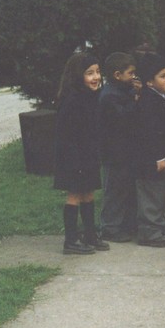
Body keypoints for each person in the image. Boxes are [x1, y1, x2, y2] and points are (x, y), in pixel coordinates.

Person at [53, 52, 109, 255]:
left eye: (98, 72)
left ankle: (90, 234)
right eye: (89, 73)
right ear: (78, 76)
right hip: (74, 156)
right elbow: (67, 134)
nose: (96, 77)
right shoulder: (72, 100)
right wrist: (75, 159)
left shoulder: (91, 97)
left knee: (89, 193)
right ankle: (70, 240)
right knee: (75, 194)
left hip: (89, 154)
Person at [133, 52, 165, 247]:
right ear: (149, 82)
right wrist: (159, 156)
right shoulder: (148, 102)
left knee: (163, 192)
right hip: (151, 159)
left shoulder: (163, 97)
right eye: (162, 76)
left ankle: (160, 224)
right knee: (152, 194)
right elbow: (150, 133)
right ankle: (149, 231)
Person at [97, 52, 139, 242]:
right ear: (117, 75)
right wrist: (135, 100)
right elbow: (122, 119)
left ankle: (126, 224)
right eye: (130, 73)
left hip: (126, 151)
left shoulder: (121, 91)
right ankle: (110, 227)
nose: (133, 77)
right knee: (114, 190)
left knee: (126, 189)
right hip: (114, 153)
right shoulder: (109, 96)